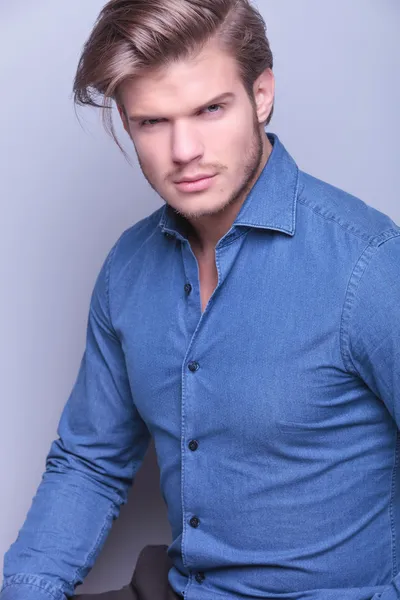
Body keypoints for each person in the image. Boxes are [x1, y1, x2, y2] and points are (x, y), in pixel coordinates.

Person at [1, 0, 399, 599]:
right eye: (152, 122)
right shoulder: (128, 269)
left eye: (211, 109)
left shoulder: (368, 264)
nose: (183, 150)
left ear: (261, 95)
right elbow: (90, 464)